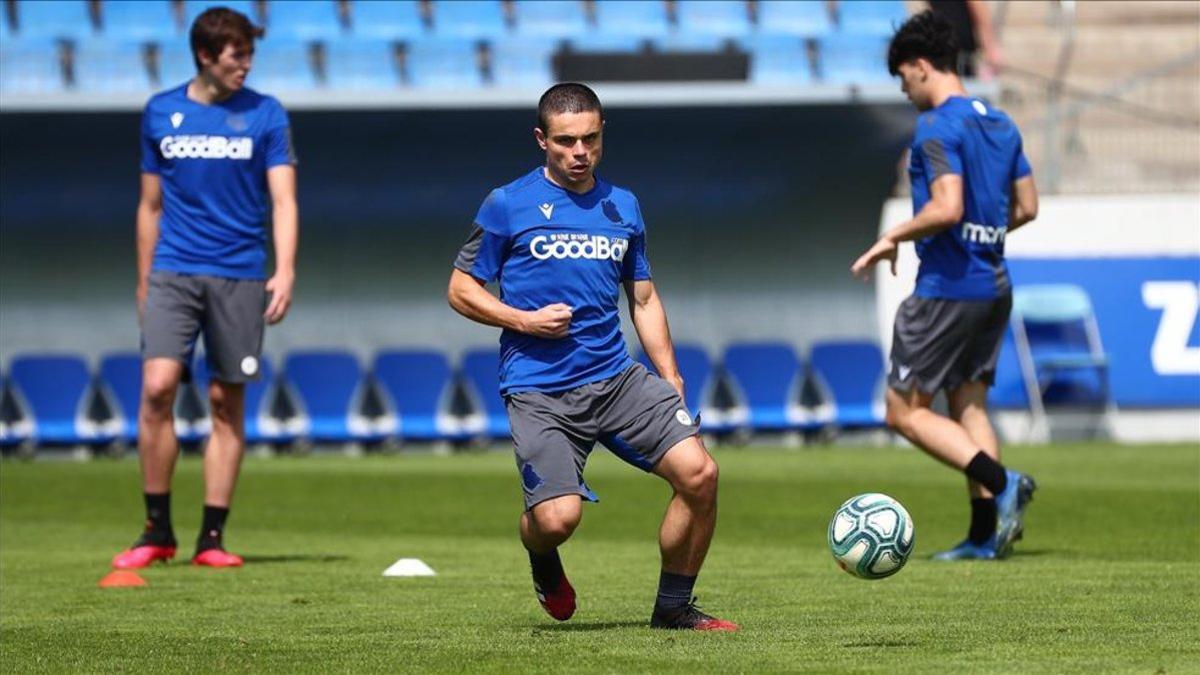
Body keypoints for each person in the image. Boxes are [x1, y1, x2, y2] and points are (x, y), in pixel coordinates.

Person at [447, 83, 737, 630]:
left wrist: (669, 373)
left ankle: (673, 608)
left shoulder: (621, 205)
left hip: (616, 378)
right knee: (557, 520)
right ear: (542, 140)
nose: (579, 152)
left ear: (603, 134)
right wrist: (524, 320)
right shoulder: (507, 204)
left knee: (700, 475)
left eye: (590, 139)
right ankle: (542, 558)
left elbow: (643, 298)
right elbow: (460, 288)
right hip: (539, 389)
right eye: (566, 141)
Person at [112, 6, 298, 569]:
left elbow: (284, 199)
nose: (246, 63)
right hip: (173, 269)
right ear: (205, 55)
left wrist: (284, 268)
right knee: (157, 387)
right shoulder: (161, 111)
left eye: (249, 53)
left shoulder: (266, 114)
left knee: (224, 400)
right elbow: (149, 205)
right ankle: (156, 530)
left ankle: (211, 539)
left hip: (241, 271)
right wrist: (145, 279)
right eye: (237, 54)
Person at [851, 10, 1038, 560]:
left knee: (902, 411)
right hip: (993, 283)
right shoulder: (1001, 122)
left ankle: (1004, 483)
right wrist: (983, 232)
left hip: (946, 287)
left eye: (904, 79)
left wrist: (895, 236)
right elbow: (1027, 206)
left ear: (920, 66)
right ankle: (985, 537)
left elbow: (946, 205)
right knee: (970, 406)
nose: (906, 91)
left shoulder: (937, 125)